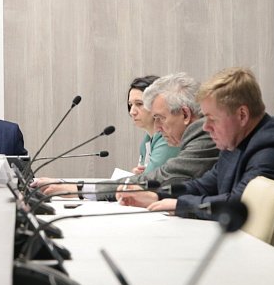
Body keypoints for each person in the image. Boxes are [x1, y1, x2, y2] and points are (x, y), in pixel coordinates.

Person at [119, 67, 274, 249]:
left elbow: (238, 204)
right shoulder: (238, 140)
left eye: (212, 119)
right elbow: (204, 185)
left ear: (242, 115)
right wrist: (158, 195)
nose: (205, 126)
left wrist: (180, 205)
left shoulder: (273, 147)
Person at [35, 73, 219, 198]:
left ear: (185, 114)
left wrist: (78, 189)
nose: (158, 127)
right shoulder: (192, 135)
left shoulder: (203, 133)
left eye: (160, 118)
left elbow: (159, 180)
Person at [128, 75, 179, 175]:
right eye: (130, 105)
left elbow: (150, 179)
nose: (132, 112)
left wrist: (140, 177)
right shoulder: (146, 140)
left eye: (139, 104)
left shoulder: (169, 138)